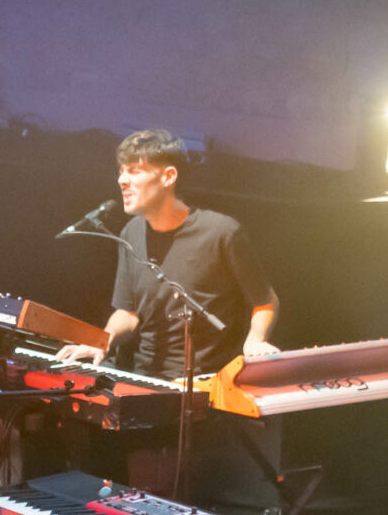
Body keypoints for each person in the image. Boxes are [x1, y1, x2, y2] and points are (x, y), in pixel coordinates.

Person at [55, 129, 278, 380]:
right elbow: (128, 313)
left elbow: (265, 300)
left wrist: (255, 340)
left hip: (203, 380)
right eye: (121, 171)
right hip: (141, 376)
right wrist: (102, 340)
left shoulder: (221, 232)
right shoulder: (131, 232)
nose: (122, 180)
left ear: (168, 176)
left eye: (134, 171)